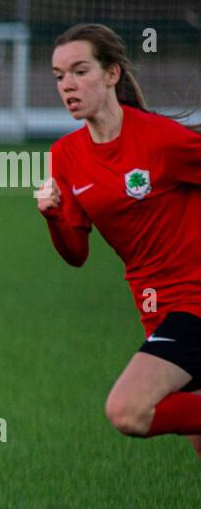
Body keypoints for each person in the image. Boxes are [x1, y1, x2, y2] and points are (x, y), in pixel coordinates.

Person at [38, 23, 201, 455]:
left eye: (80, 71)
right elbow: (75, 254)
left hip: (195, 302)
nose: (67, 85)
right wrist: (53, 215)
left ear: (112, 74)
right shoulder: (64, 155)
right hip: (155, 310)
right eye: (59, 76)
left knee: (129, 410)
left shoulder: (160, 140)